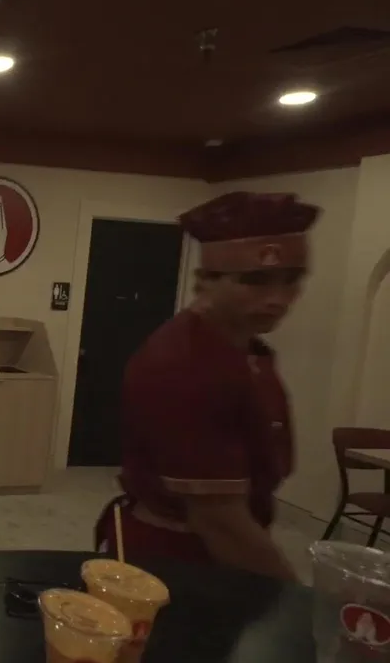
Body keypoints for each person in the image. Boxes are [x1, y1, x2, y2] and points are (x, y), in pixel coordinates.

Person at [95, 191, 318, 580]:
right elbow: (221, 523)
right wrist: (296, 600)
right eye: (255, 281)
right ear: (205, 281)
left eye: (291, 280)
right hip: (176, 561)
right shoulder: (185, 364)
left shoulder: (246, 349)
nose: (278, 298)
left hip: (216, 551)